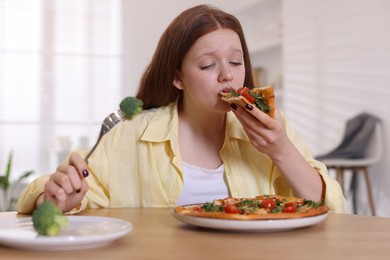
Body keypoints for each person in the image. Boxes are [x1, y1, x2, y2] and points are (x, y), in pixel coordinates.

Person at [16, 4, 346, 214]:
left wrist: (281, 150)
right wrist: (59, 197)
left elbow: (330, 208)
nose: (227, 75)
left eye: (235, 61)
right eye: (207, 66)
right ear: (178, 77)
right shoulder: (132, 133)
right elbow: (73, 195)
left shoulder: (273, 127)